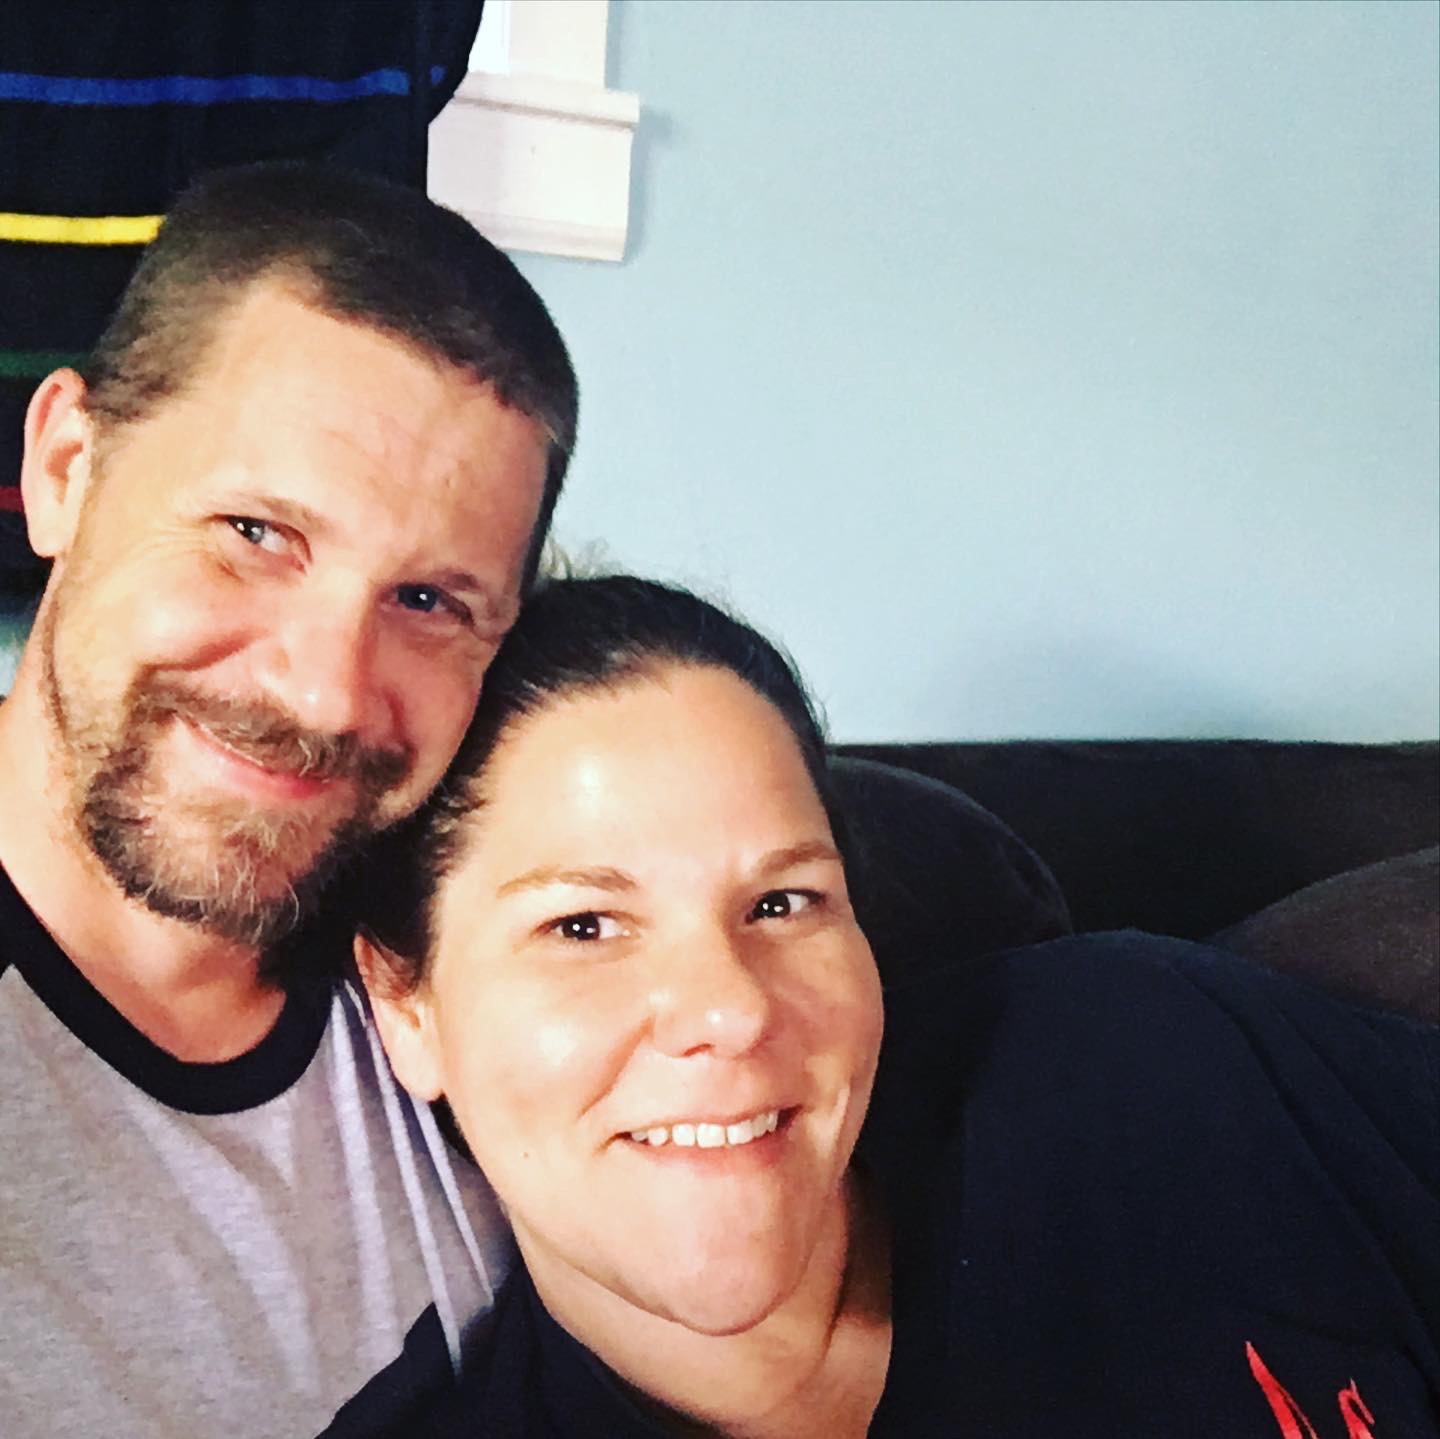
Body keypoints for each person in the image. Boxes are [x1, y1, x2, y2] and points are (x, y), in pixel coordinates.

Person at [339, 575, 1438, 1438]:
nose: (730, 1008)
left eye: (782, 901)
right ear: (406, 1001)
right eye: (583, 924)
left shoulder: (1150, 1056)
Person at [0, 162, 577, 1437]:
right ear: (65, 469)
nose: (327, 692)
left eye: (427, 601)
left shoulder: (482, 958)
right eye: (256, 532)